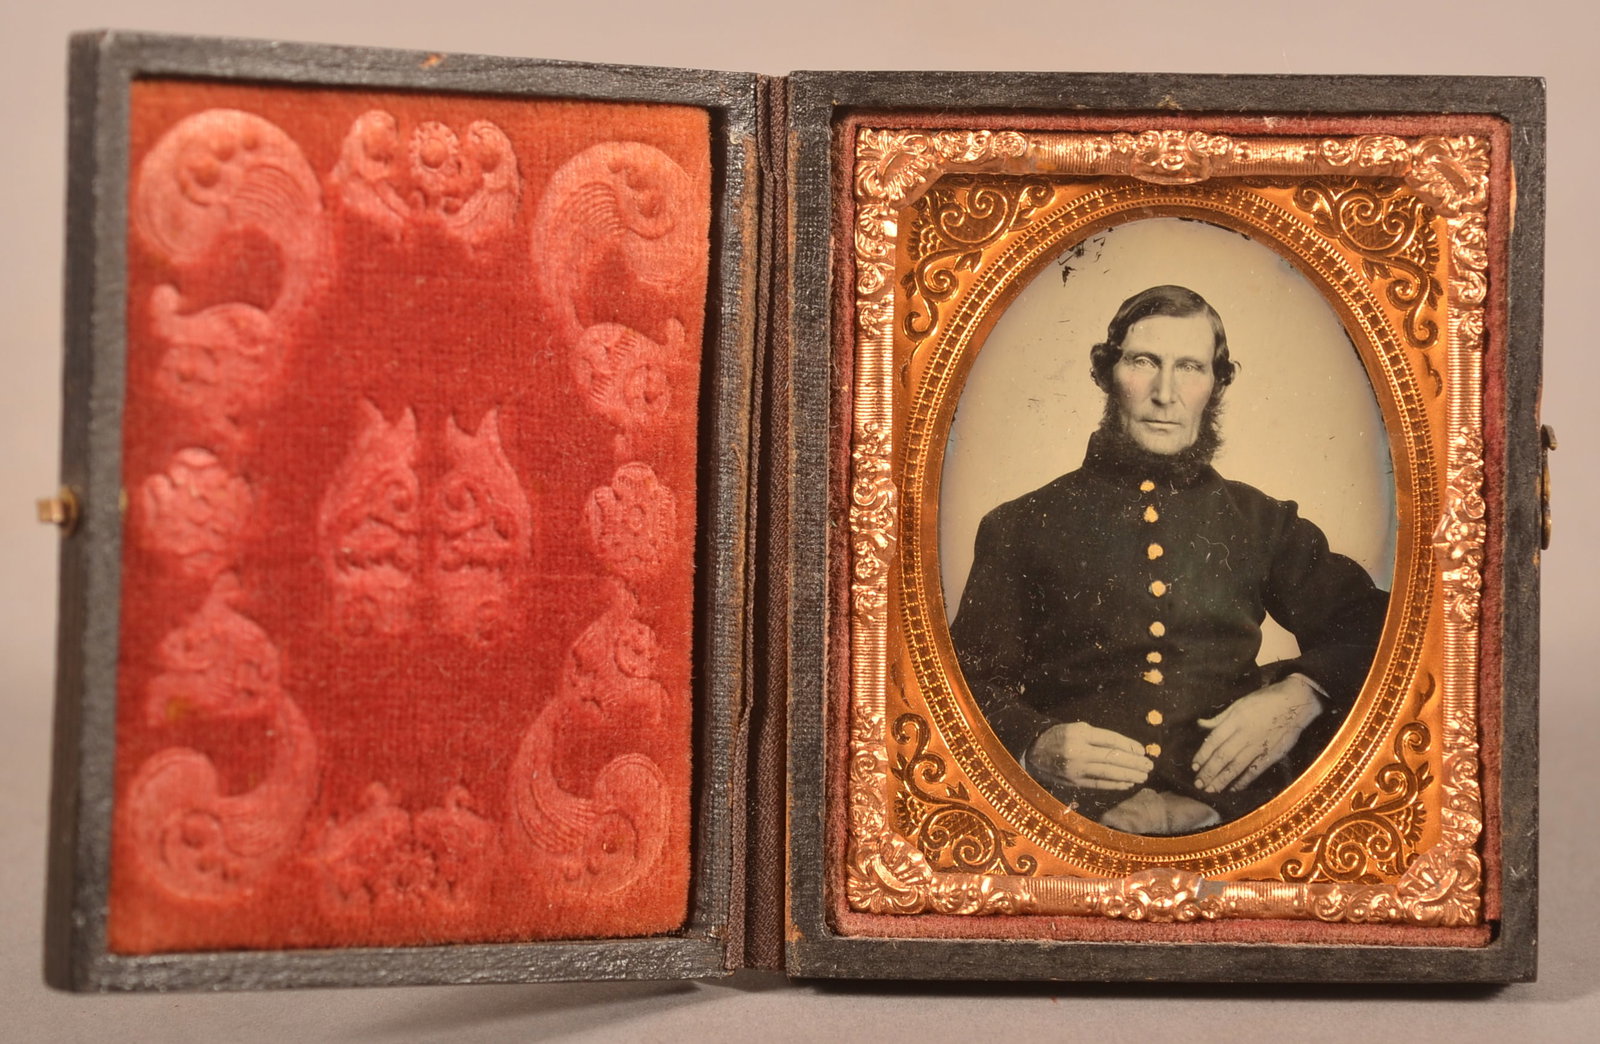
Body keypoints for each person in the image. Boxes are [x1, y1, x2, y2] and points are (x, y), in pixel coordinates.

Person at [948, 285, 1390, 836]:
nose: (1165, 393)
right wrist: (1033, 743)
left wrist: (1302, 693)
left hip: (1242, 825)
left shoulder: (1261, 521)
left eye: (1190, 367)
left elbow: (1386, 628)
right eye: (1143, 362)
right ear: (1107, 373)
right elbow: (957, 685)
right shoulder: (1018, 525)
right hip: (1069, 829)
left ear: (1217, 384)